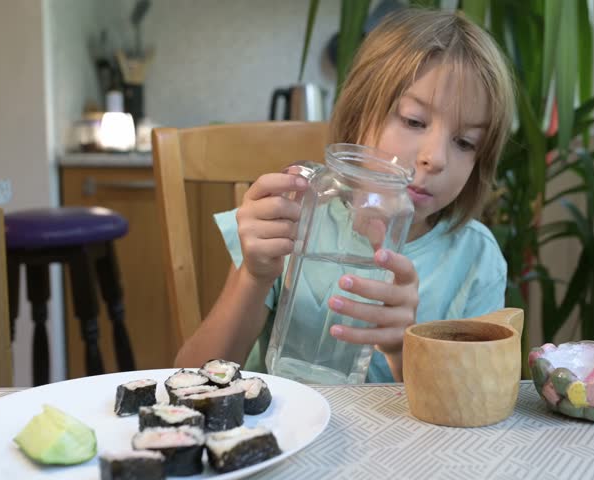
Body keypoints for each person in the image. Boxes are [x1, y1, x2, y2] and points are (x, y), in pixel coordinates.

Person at [174, 8, 516, 383]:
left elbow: (468, 410)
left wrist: (404, 349)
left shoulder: (476, 261)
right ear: (357, 115)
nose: (434, 158)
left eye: (466, 142)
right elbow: (188, 377)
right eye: (414, 121)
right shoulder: (291, 221)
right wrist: (254, 277)